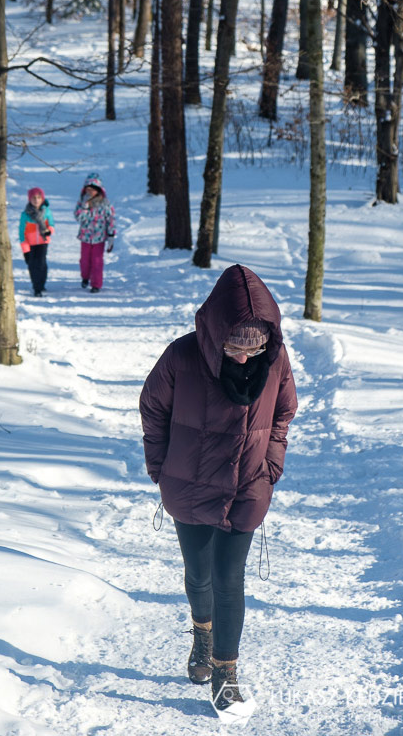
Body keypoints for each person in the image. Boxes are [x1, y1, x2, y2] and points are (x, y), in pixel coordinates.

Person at [139, 265, 298, 717]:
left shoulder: (276, 360)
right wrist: (160, 465)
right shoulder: (182, 357)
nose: (246, 359)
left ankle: (226, 673)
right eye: (235, 348)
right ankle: (202, 634)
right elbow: (152, 408)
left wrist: (271, 465)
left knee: (230, 581)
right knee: (199, 576)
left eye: (256, 348)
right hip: (189, 485)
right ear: (215, 335)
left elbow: (284, 412)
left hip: (248, 486)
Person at [73, 173, 116, 292]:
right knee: (84, 261)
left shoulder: (105, 204)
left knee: (97, 261)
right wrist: (85, 207)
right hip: (85, 237)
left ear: (98, 190)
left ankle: (96, 284)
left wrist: (111, 235)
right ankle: (85, 277)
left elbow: (111, 219)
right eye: (88, 189)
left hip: (99, 238)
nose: (90, 192)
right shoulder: (82, 202)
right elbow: (78, 217)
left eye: (92, 189)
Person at [18, 187, 55, 297]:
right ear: (29, 199)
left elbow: (51, 225)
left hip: (43, 242)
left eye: (39, 197)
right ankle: (36, 287)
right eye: (34, 198)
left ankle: (41, 284)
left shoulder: (47, 212)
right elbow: (21, 232)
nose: (36, 200)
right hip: (30, 244)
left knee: (42, 264)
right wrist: (25, 249)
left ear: (42, 198)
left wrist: (49, 231)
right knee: (32, 265)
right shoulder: (25, 214)